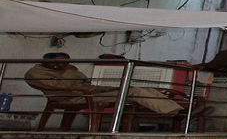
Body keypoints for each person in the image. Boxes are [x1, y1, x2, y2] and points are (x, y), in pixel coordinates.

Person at [24, 52, 203, 116]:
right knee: (136, 93)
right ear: (46, 61)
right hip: (72, 99)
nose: (62, 66)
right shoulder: (35, 73)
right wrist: (68, 70)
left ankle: (177, 110)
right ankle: (176, 112)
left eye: (65, 63)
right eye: (59, 63)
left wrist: (113, 88)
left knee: (138, 89)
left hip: (89, 93)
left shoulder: (69, 70)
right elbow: (62, 87)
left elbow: (88, 84)